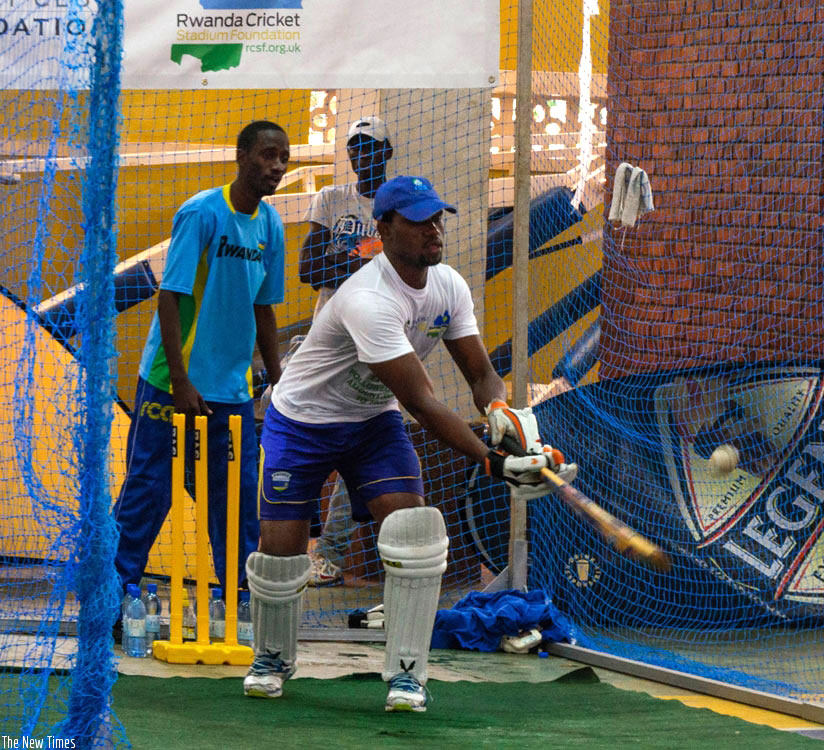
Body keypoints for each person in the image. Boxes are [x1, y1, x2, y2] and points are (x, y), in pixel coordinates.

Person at [243, 175, 577, 712]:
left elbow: (482, 374)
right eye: (419, 221)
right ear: (385, 228)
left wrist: (503, 417)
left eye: (437, 218)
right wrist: (493, 462)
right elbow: (422, 403)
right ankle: (272, 658)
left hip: (371, 421)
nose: (434, 230)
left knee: (413, 536)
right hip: (302, 419)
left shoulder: (448, 286)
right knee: (281, 553)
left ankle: (406, 674)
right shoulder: (368, 299)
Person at [112, 120, 290, 601]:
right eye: (267, 155)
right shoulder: (202, 213)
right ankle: (113, 592)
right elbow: (169, 297)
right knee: (149, 492)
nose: (276, 166)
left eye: (283, 159)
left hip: (230, 393)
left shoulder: (270, 226)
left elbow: (265, 308)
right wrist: (181, 381)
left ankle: (241, 599)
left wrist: (280, 380)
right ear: (242, 156)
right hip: (173, 385)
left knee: (233, 502)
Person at [296, 115, 394, 586]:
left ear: (387, 151)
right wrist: (363, 258)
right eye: (355, 146)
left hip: (374, 345)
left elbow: (396, 276)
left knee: (360, 444)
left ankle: (330, 552)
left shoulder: (398, 203)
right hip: (326, 341)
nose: (361, 154)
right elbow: (308, 269)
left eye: (370, 146)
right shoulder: (331, 198)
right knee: (304, 436)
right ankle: (294, 546)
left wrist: (342, 261)